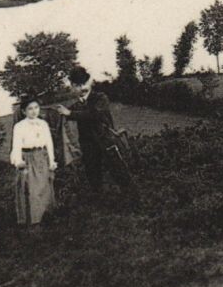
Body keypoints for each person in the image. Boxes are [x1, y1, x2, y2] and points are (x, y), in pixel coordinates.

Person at [56, 66, 132, 193]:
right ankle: (99, 199)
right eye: (77, 85)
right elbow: (65, 115)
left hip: (107, 142)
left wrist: (69, 113)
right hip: (88, 145)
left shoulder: (100, 98)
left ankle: (131, 198)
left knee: (119, 172)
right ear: (74, 86)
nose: (81, 88)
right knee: (93, 176)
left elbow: (94, 114)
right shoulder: (77, 105)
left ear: (88, 82)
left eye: (83, 83)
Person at [10, 98, 56, 226]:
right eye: (30, 109)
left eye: (36, 107)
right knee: (32, 189)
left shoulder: (43, 124)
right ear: (24, 111)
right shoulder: (19, 126)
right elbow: (16, 145)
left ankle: (47, 215)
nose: (34, 111)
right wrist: (18, 161)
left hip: (41, 157)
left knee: (44, 186)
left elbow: (49, 143)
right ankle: (34, 219)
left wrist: (51, 160)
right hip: (28, 158)